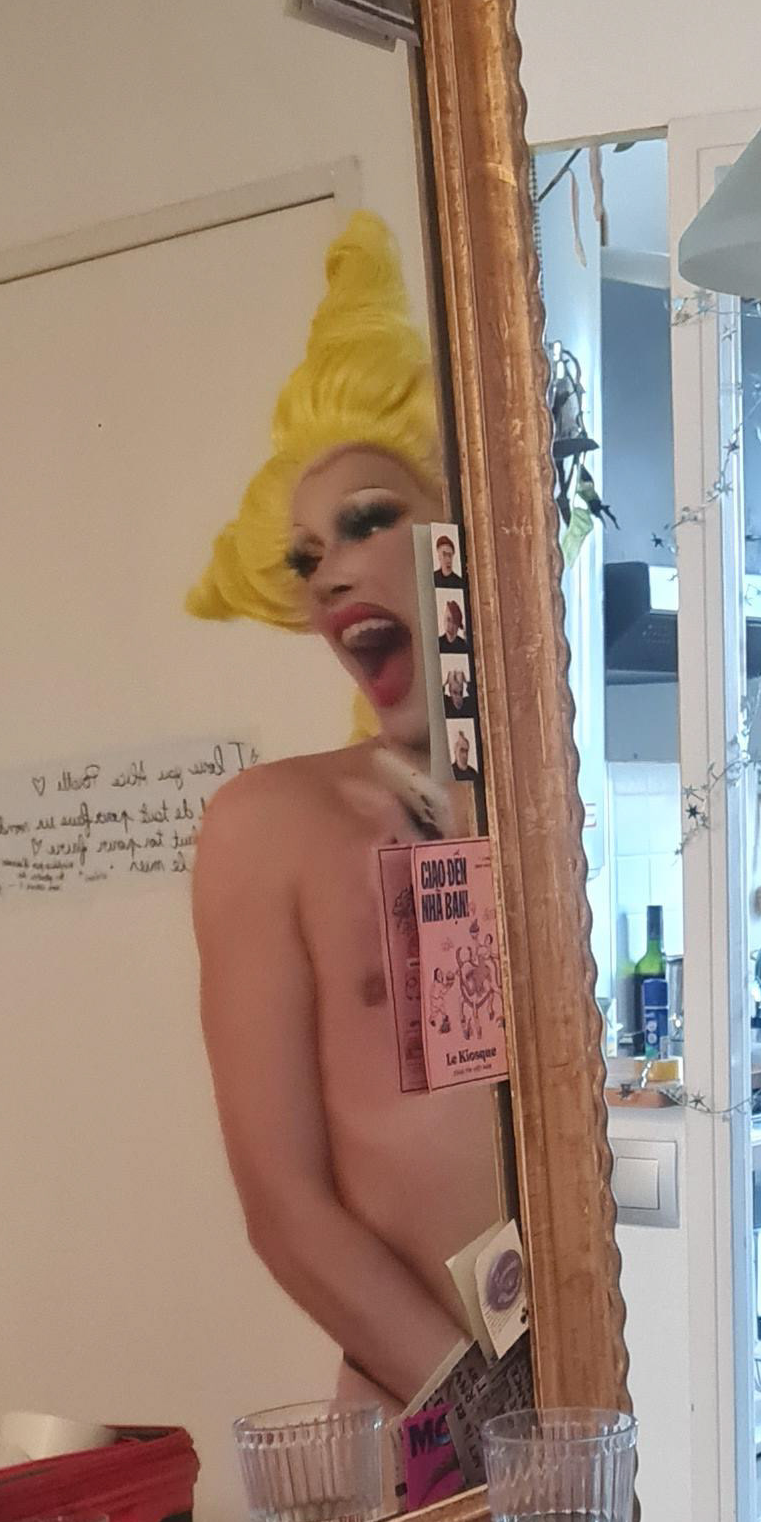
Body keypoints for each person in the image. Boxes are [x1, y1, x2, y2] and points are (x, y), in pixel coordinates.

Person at [186, 213, 497, 1416]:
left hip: (590, 1393)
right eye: (307, 555)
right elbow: (284, 1206)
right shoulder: (270, 826)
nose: (328, 574)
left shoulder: (546, 822)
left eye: (368, 520)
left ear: (467, 529)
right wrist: (474, 1408)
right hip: (420, 1419)